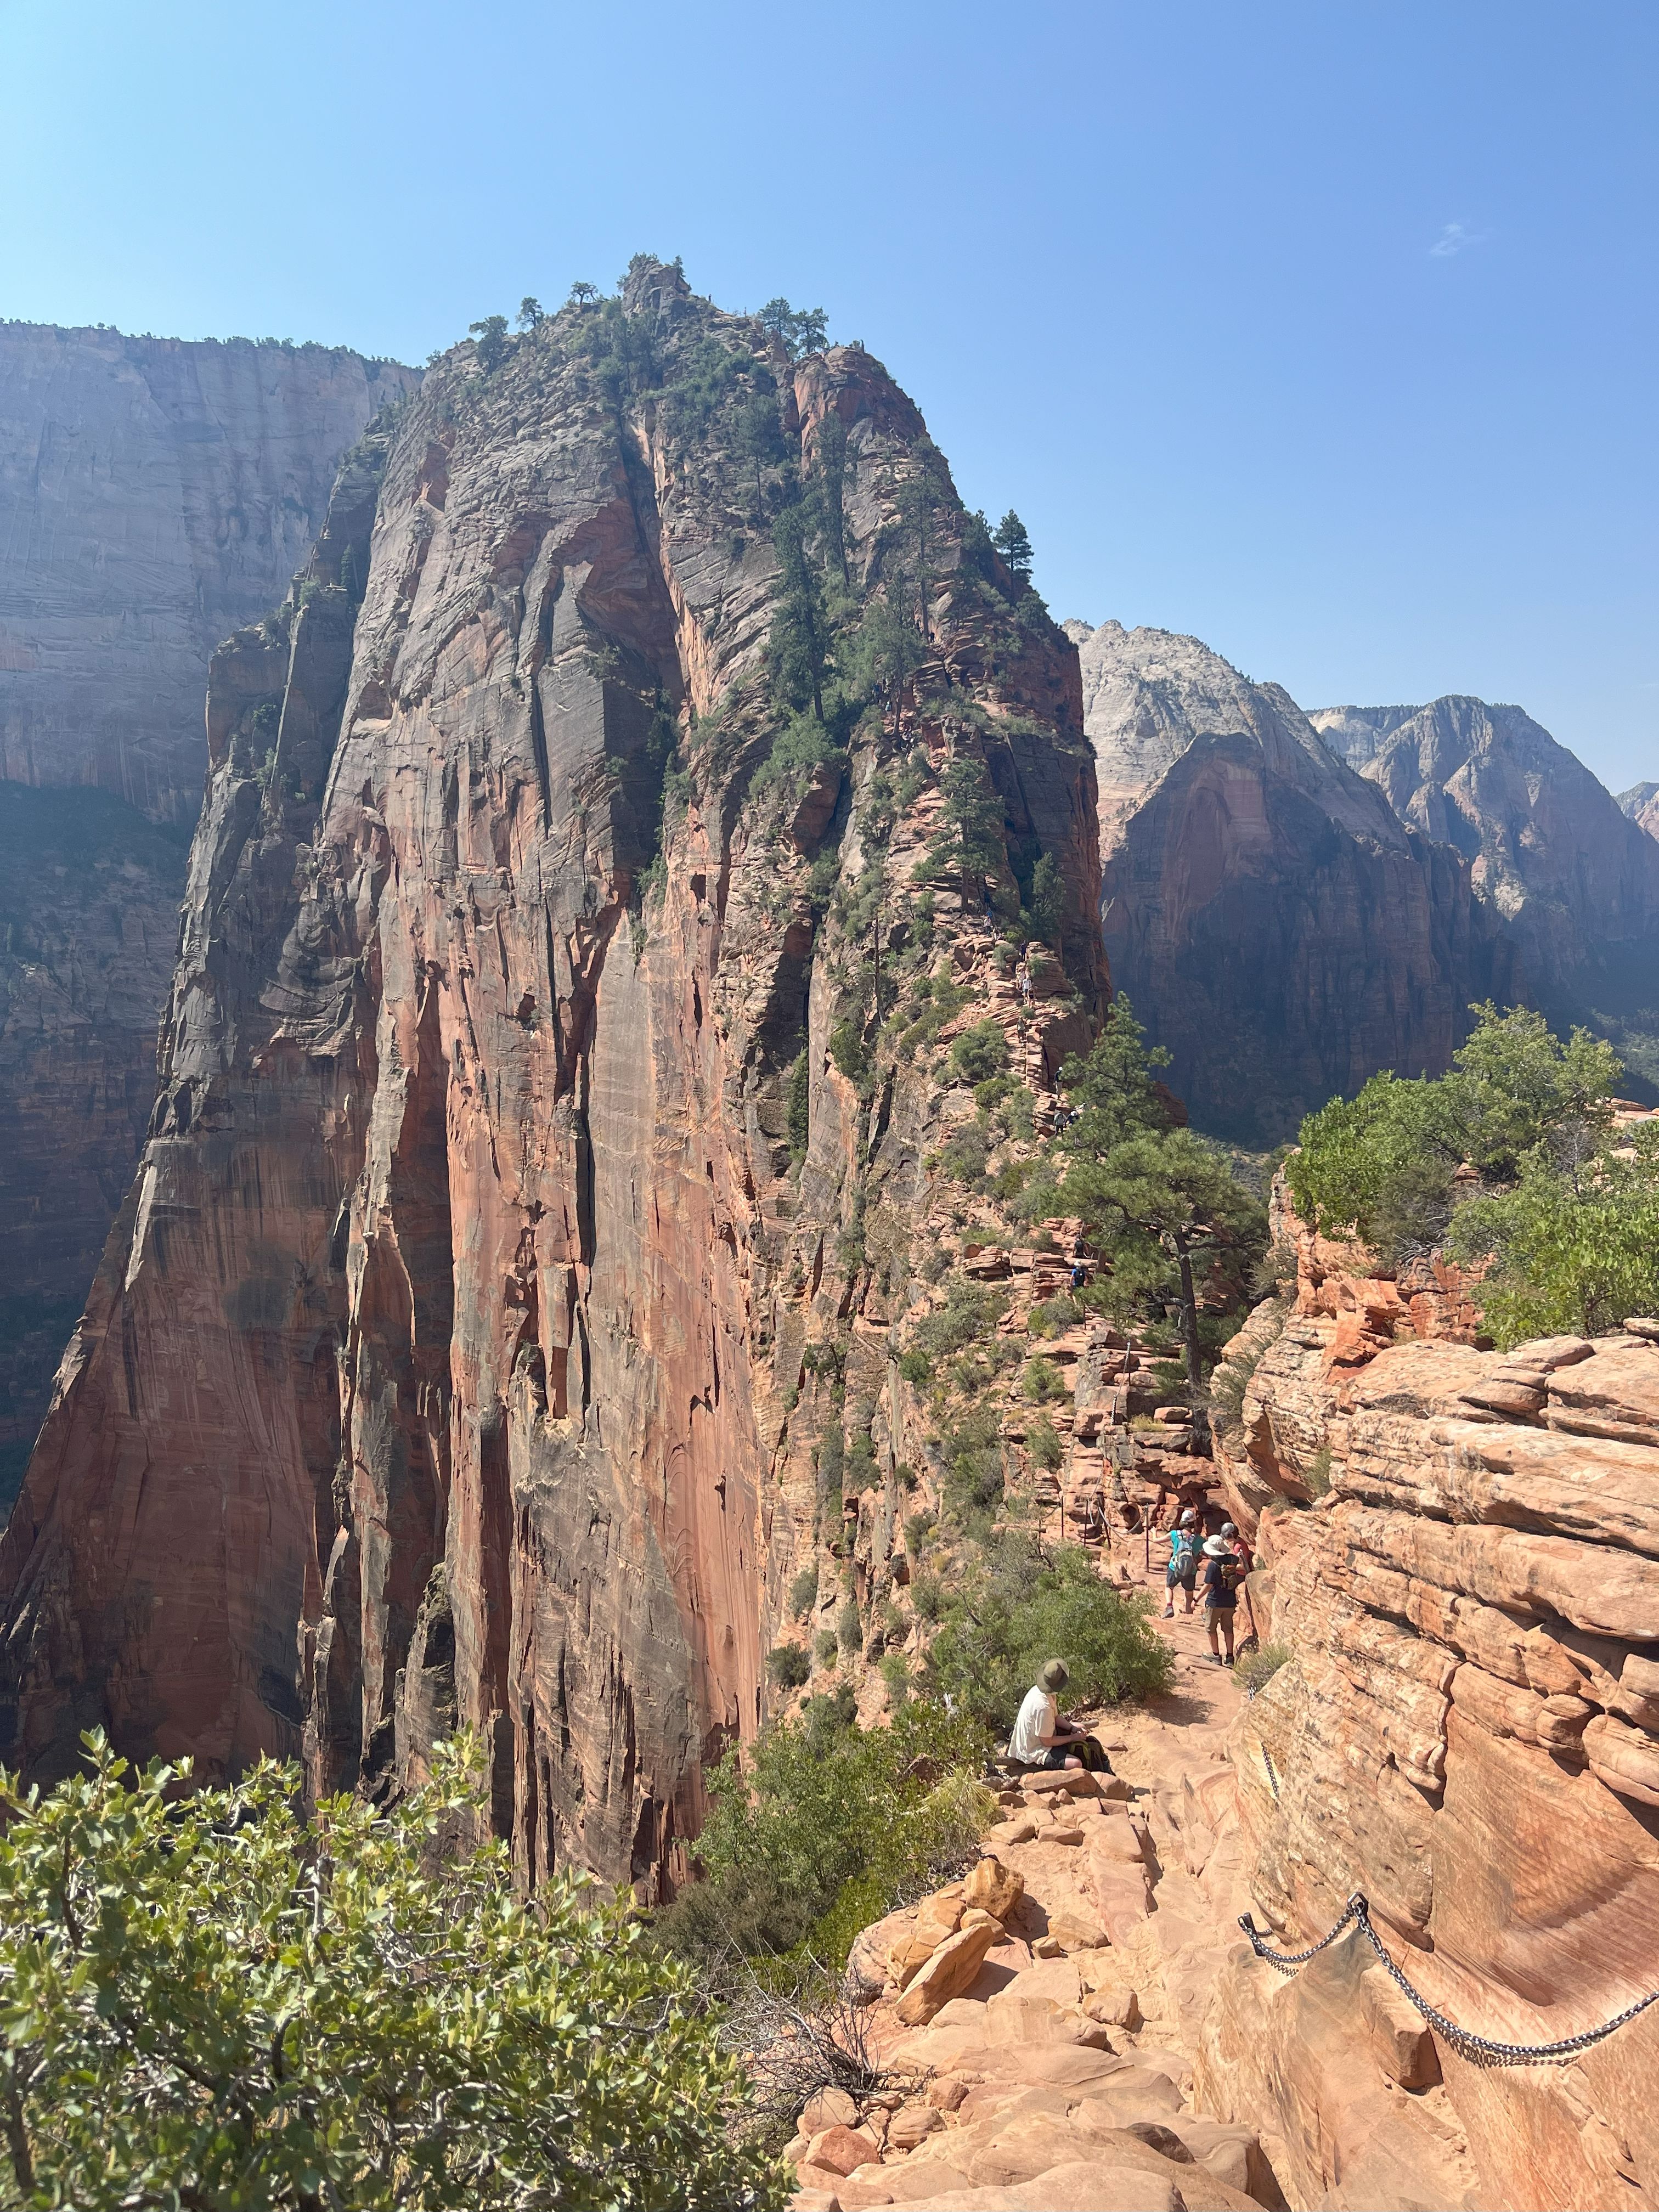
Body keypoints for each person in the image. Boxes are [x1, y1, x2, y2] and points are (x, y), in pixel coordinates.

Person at [1007, 1659, 1111, 1773]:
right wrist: (1073, 1738)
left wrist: (1073, 1729)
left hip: (1041, 1737)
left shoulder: (1043, 1692)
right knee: (1076, 1763)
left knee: (1080, 1727)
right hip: (1032, 1750)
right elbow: (1047, 1742)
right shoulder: (1042, 1706)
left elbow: (1056, 1718)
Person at [1201, 1534, 1244, 1664]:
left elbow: (1208, 1585)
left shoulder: (1213, 1564)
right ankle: (1230, 1657)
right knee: (1228, 1628)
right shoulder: (1233, 1559)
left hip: (1215, 1601)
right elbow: (1242, 1567)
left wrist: (1195, 1599)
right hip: (1230, 1601)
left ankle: (1216, 1655)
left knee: (1211, 1628)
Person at [1162, 1509, 1201, 1618]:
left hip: (1174, 1568)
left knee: (1169, 1587)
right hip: (1191, 1571)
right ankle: (1189, 1615)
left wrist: (1154, 1533)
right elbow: (1206, 1550)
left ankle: (1169, 1607)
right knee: (1189, 1595)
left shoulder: (1174, 1534)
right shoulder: (1198, 1539)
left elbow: (1156, 1540)